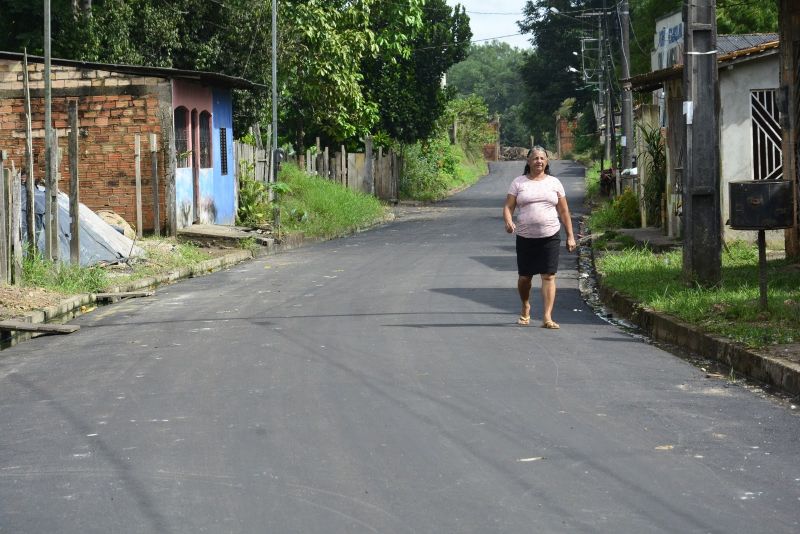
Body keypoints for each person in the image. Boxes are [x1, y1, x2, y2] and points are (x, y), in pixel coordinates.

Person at [502, 146, 576, 329]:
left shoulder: (555, 183)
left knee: (549, 276)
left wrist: (570, 236)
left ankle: (547, 317)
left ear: (547, 161)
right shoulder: (519, 183)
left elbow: (564, 211)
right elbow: (508, 207)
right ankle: (525, 306)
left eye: (542, 158)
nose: (539, 161)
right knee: (525, 277)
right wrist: (509, 221)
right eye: (535, 158)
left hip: (550, 236)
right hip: (525, 237)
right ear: (528, 161)